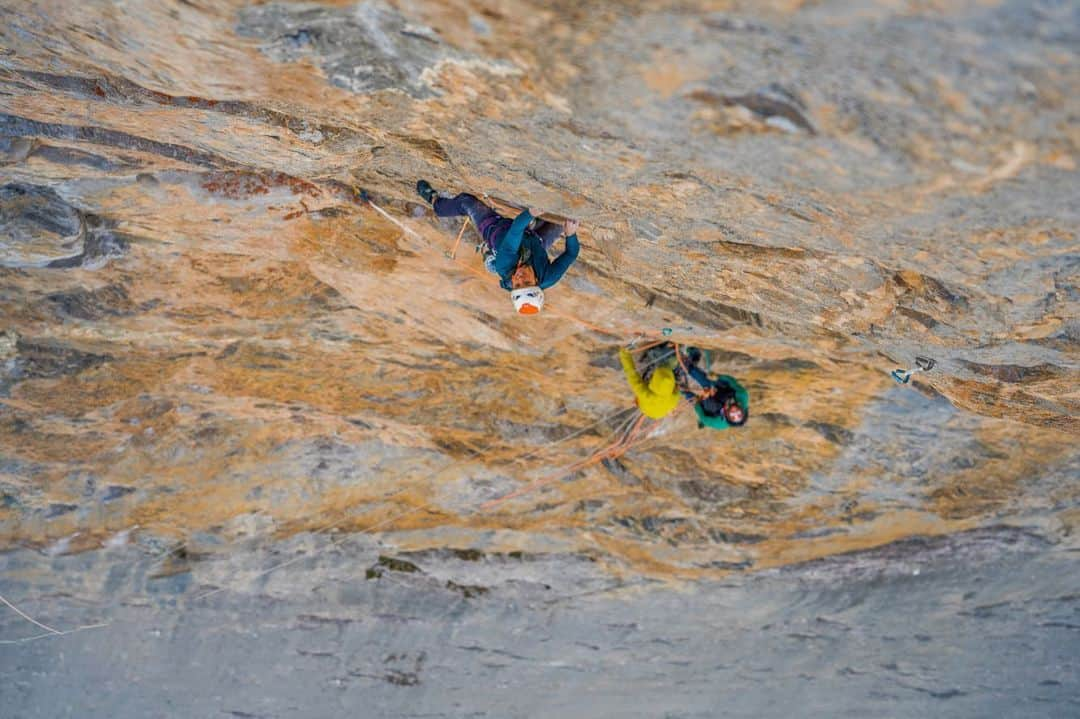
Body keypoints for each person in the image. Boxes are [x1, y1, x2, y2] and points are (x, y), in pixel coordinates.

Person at [416, 180, 580, 315]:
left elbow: (515, 229)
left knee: (467, 202)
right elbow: (571, 254)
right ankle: (534, 224)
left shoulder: (505, 264)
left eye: (516, 285)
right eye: (527, 282)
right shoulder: (549, 277)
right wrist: (571, 235)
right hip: (535, 243)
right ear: (537, 281)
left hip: (498, 231)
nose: (519, 278)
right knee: (562, 221)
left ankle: (436, 202)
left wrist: (531, 212)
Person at [677, 347, 749, 429]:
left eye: (733, 416)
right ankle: (689, 366)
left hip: (712, 409)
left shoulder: (717, 423)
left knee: (709, 405)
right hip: (722, 391)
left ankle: (681, 385)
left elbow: (704, 418)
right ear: (742, 410)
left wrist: (695, 401)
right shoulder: (743, 396)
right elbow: (731, 381)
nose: (735, 412)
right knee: (707, 384)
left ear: (727, 417)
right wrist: (717, 377)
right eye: (739, 414)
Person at [618, 346, 680, 419]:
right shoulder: (645, 398)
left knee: (673, 363)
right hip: (660, 369)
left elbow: (677, 390)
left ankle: (672, 357)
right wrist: (624, 354)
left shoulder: (671, 403)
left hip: (669, 374)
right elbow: (632, 375)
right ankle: (659, 354)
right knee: (654, 355)